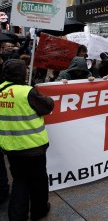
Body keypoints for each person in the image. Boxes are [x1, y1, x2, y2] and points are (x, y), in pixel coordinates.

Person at [0, 59, 54, 220]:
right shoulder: (27, 92)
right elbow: (48, 106)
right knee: (38, 181)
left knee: (19, 181)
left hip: (10, 147)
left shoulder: (1, 90)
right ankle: (39, 211)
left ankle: (17, 216)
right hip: (33, 147)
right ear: (22, 73)